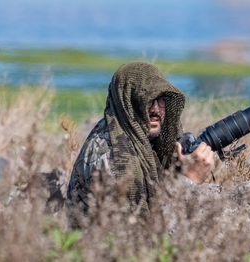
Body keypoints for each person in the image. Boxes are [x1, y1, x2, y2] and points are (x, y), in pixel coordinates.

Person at [66, 62, 216, 219]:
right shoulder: (113, 156)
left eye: (161, 99)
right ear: (127, 103)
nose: (155, 110)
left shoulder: (135, 136)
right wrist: (190, 180)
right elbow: (142, 234)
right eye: (147, 99)